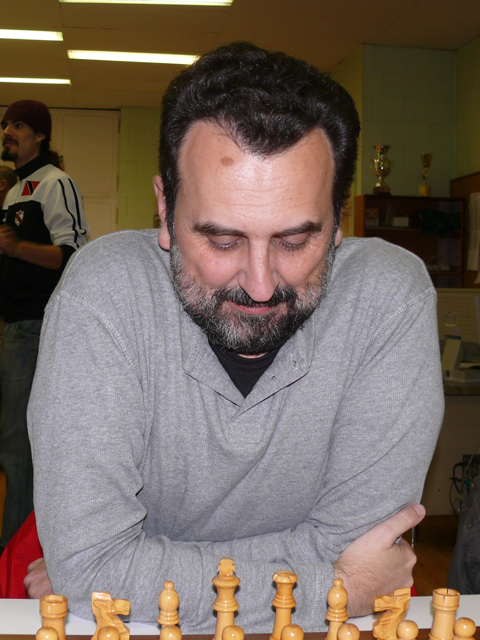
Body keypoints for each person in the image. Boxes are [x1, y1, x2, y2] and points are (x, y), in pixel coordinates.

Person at [27, 43, 443, 631]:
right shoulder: (102, 294)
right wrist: (341, 586)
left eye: (296, 240)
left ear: (338, 220)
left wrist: (128, 570)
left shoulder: (389, 298)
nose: (260, 284)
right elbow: (94, 566)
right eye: (222, 241)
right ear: (164, 210)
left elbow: (98, 572)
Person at [0, 99, 89, 550]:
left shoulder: (56, 183)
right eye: (5, 124)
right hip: (14, 325)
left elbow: (73, 255)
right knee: (14, 443)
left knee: (18, 443)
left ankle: (14, 552)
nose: (8, 132)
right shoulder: (15, 191)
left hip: (39, 326)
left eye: (18, 125)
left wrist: (17, 249)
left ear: (40, 135)